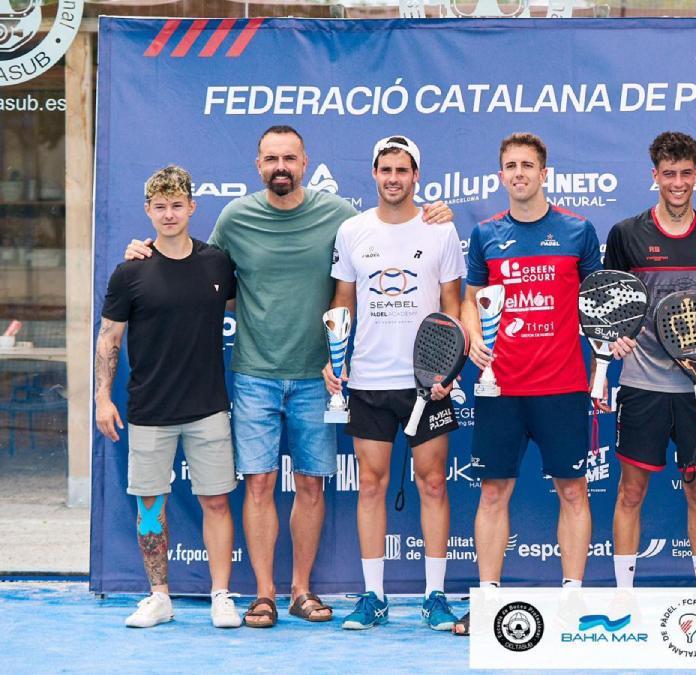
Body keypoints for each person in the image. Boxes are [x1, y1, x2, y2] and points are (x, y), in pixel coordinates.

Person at [123, 125, 452, 627]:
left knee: (311, 486)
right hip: (254, 373)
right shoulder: (236, 217)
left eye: (290, 158)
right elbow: (196, 268)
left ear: (304, 163)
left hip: (319, 377)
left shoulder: (340, 216)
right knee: (258, 485)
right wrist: (145, 252)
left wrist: (436, 212)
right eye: (272, 158)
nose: (281, 166)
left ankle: (301, 590)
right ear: (258, 165)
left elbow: (390, 230)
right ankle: (264, 595)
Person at [455, 132, 603, 635]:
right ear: (501, 176)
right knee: (493, 492)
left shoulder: (578, 231)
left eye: (527, 165)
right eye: (511, 166)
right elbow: (470, 299)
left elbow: (597, 303)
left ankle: (573, 598)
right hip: (500, 387)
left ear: (544, 173)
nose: (519, 173)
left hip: (562, 385)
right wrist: (473, 338)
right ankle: (489, 599)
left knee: (573, 491)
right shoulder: (486, 235)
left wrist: (604, 360)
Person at [322, 135, 465, 631]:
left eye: (402, 170)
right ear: (374, 173)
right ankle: (374, 597)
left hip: (428, 383)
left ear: (416, 176)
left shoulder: (441, 230)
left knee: (433, 483)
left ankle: (435, 596)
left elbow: (453, 305)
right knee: (371, 485)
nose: (393, 178)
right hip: (368, 379)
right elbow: (343, 300)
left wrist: (448, 370)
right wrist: (335, 356)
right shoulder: (352, 230)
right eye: (386, 169)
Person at [96, 165, 240, 629]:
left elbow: (249, 304)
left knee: (216, 502)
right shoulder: (130, 271)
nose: (169, 214)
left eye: (177, 205)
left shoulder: (217, 263)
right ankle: (159, 597)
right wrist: (102, 397)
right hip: (149, 409)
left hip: (208, 407)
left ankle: (221, 595)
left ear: (192, 207)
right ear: (148, 210)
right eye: (160, 206)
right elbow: (109, 337)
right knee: (150, 505)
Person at [602, 131, 696, 588]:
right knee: (630, 491)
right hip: (642, 384)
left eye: (686, 173)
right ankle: (623, 596)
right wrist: (613, 343)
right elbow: (611, 301)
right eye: (669, 174)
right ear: (654, 175)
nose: (678, 183)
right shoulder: (627, 234)